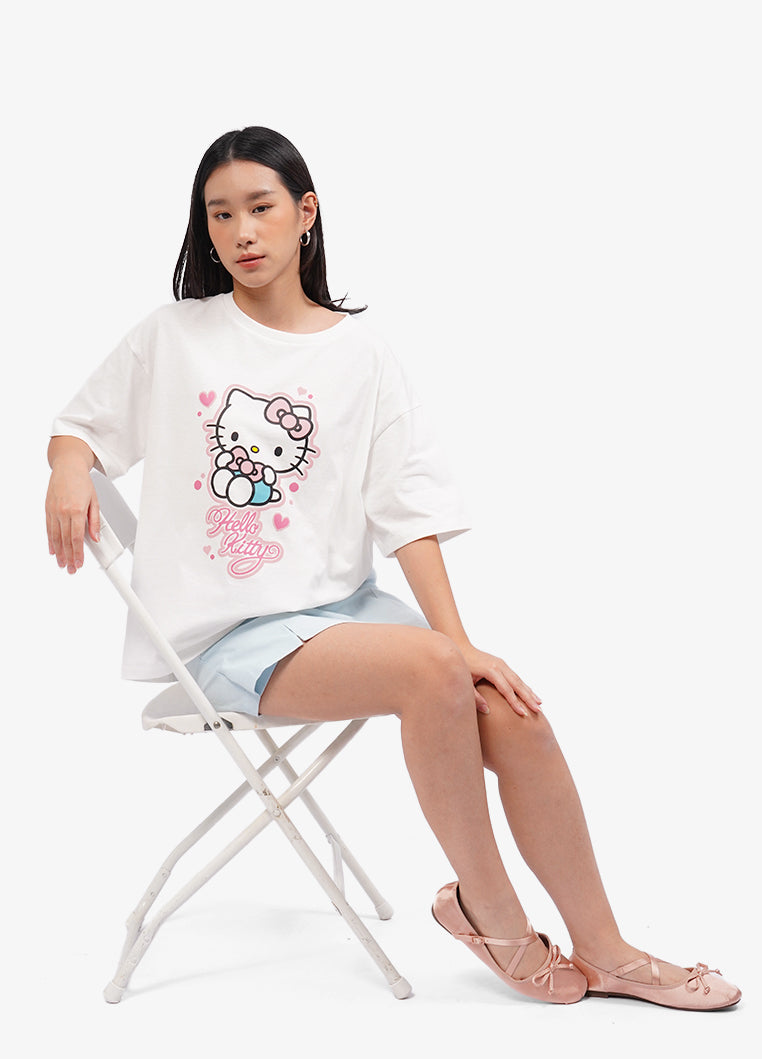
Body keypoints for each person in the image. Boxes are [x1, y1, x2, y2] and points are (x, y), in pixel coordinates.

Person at [46, 125, 740, 1010]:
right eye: (220, 215)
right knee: (429, 672)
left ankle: (607, 949)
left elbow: (408, 512)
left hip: (344, 615)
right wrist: (70, 468)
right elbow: (79, 427)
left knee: (509, 709)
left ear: (305, 213)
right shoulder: (176, 334)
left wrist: (464, 644)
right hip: (223, 637)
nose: (242, 232)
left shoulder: (361, 353)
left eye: (260, 207)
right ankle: (491, 913)